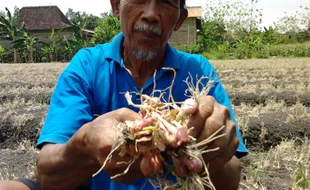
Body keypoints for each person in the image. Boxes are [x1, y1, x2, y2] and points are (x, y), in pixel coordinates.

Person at [0, 0, 247, 189]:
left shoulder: (198, 71)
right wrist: (86, 144)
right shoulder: (87, 66)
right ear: (116, 6)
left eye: (165, 1)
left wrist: (209, 151)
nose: (151, 14)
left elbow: (232, 177)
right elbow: (46, 173)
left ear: (180, 19)